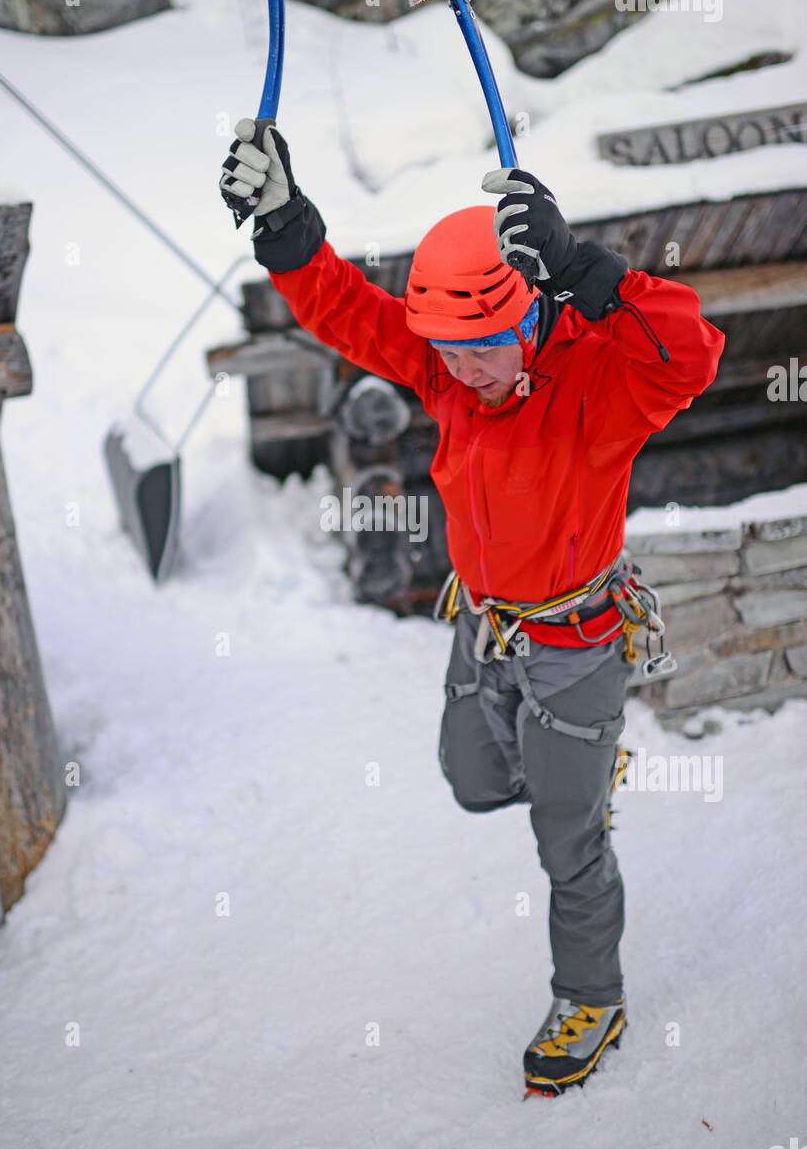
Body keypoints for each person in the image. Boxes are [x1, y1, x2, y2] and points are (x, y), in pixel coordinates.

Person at [219, 118, 725, 1097]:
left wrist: (593, 272)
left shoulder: (599, 376)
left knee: (568, 845)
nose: (457, 371)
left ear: (529, 314)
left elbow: (693, 354)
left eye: (481, 349)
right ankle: (560, 770)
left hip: (577, 644)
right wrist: (284, 224)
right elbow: (352, 314)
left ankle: (592, 993)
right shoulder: (447, 366)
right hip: (482, 628)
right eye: (443, 352)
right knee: (470, 778)